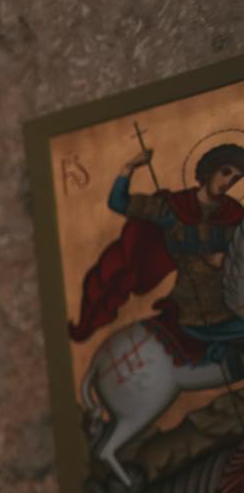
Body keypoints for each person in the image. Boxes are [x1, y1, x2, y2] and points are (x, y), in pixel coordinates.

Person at [70, 142, 244, 370]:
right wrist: (129, 167)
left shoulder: (233, 214)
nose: (227, 182)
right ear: (210, 170)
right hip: (192, 306)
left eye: (235, 179)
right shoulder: (174, 209)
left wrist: (228, 260)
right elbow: (118, 202)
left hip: (230, 300)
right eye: (225, 172)